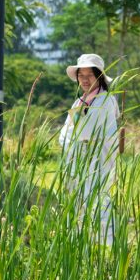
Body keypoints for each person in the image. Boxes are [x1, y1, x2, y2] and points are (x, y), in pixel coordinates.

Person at [59, 53, 119, 241]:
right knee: (78, 211)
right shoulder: (80, 101)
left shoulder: (105, 100)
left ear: (99, 76)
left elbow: (84, 133)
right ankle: (83, 256)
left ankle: (105, 254)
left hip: (98, 165)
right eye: (81, 75)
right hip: (78, 167)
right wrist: (75, 138)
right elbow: (64, 135)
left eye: (89, 75)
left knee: (99, 208)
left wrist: (76, 137)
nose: (84, 80)